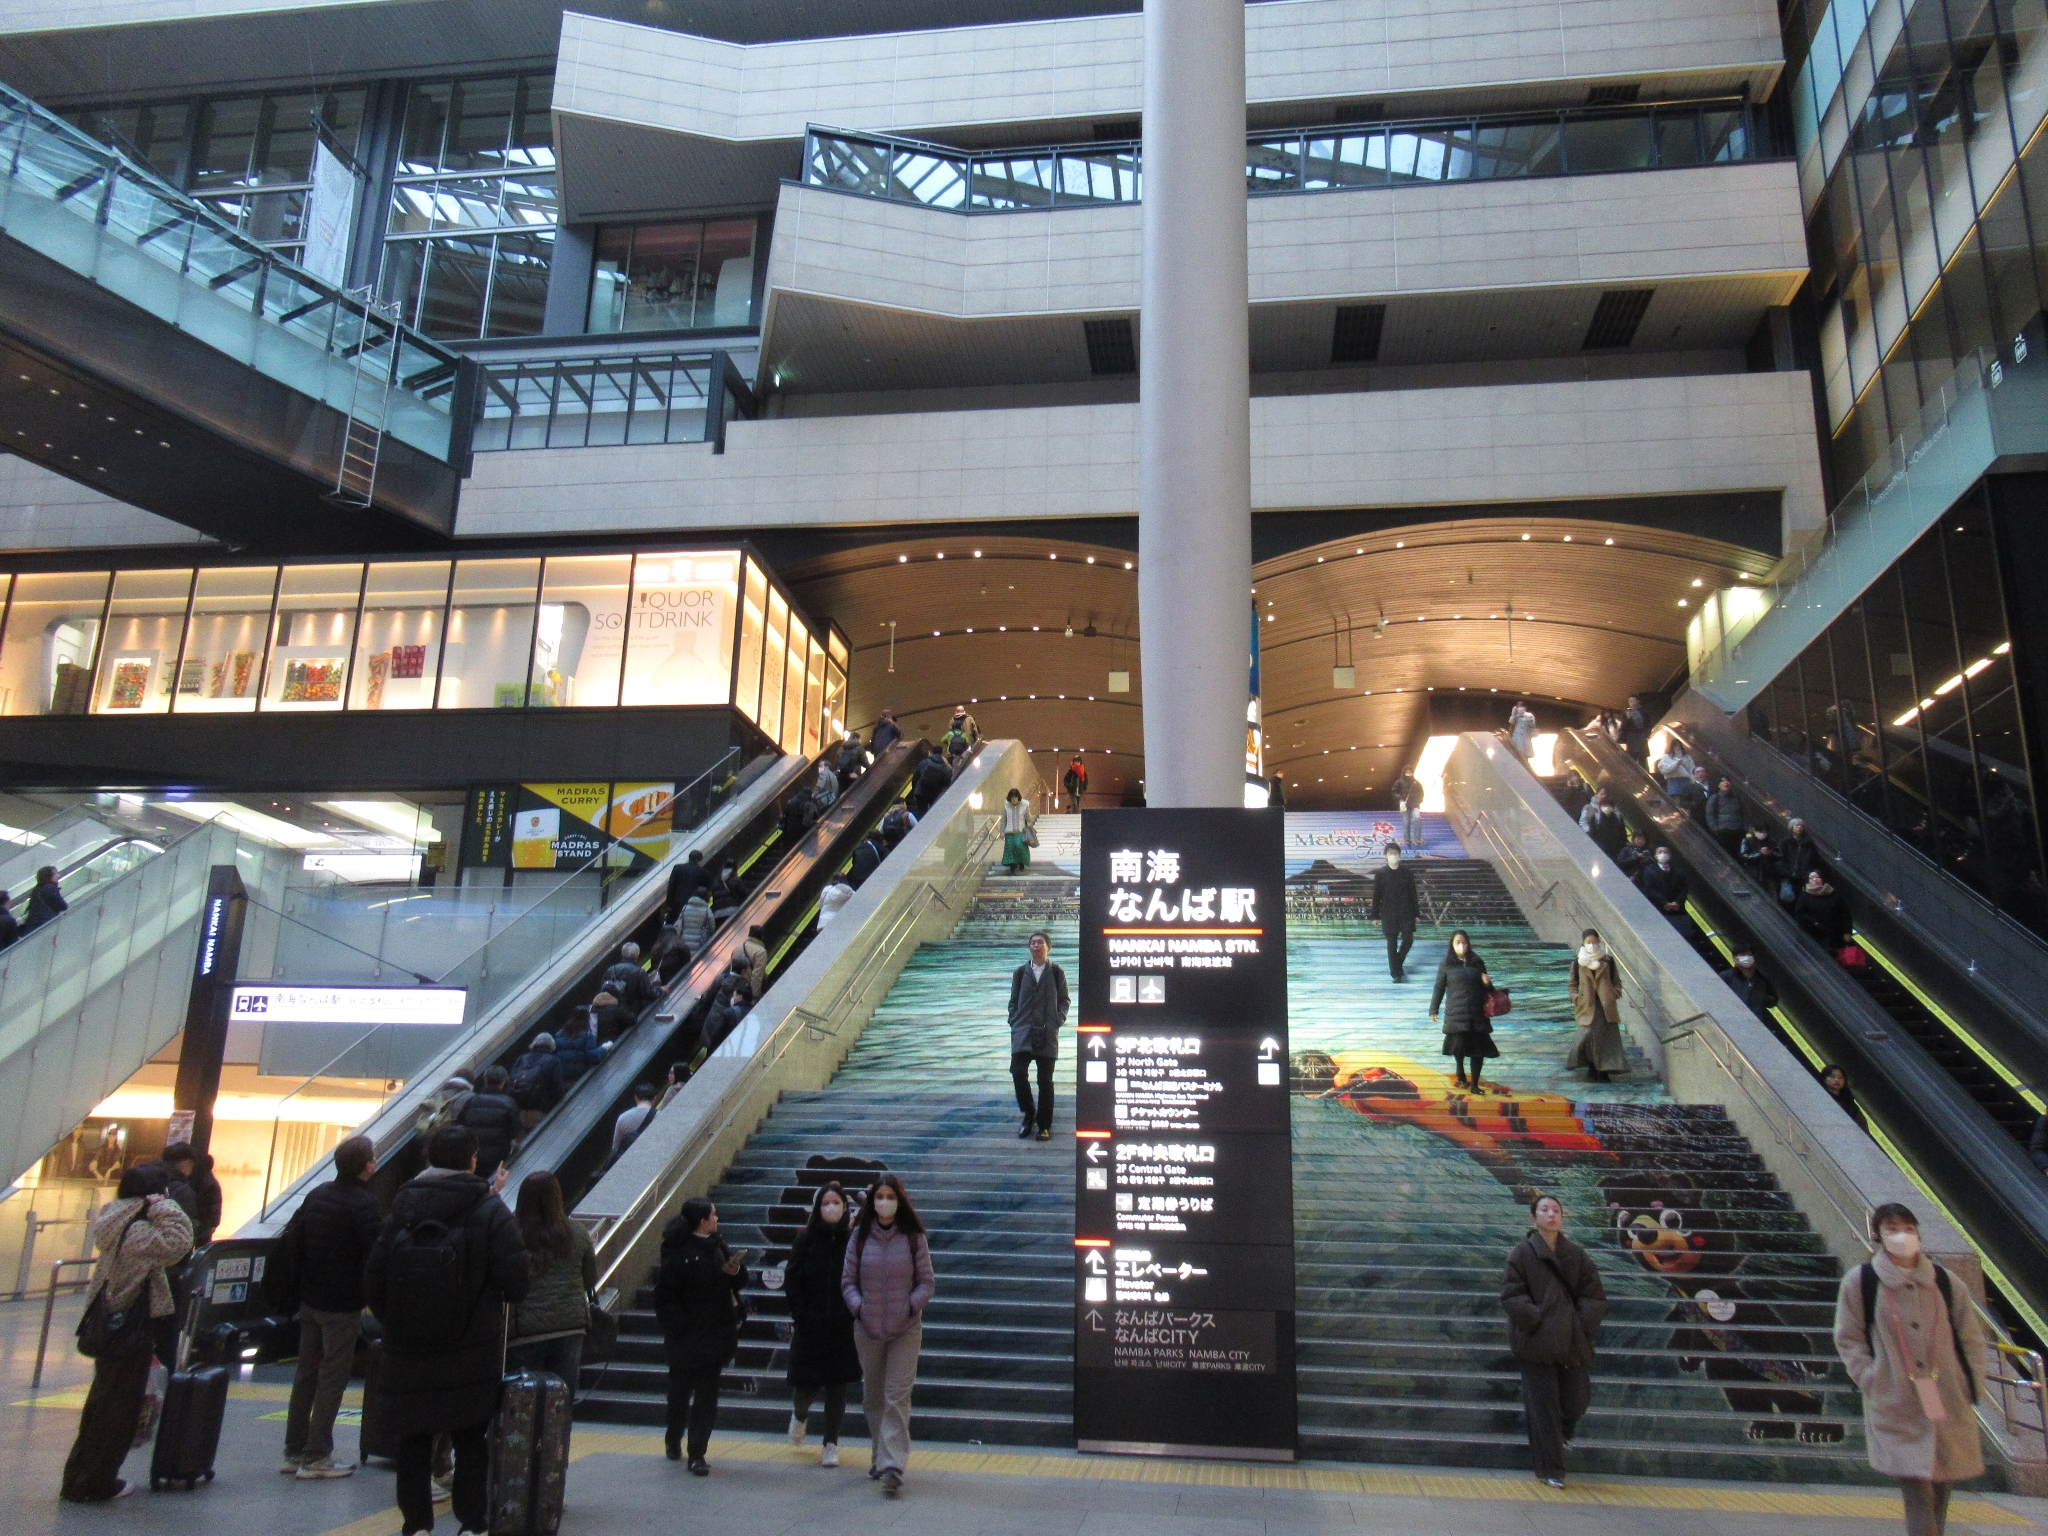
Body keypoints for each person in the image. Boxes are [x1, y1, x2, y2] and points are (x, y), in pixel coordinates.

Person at [365, 1127, 527, 1536]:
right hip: (471, 1351)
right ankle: (472, 1523)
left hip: (408, 1351)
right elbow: (518, 1281)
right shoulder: (490, 1212)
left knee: (413, 1441)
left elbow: (373, 1278)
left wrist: (399, 1321)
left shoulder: (401, 1206)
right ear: (472, 1160)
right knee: (471, 1441)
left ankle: (416, 1524)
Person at [1834, 1203, 1985, 1534]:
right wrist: (1870, 1378)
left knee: (1942, 1483)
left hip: (1946, 1396)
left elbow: (1971, 1336)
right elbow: (1848, 1338)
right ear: (1877, 1235)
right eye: (1892, 1228)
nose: (1902, 1234)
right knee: (1916, 1485)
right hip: (1897, 1398)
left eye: (1908, 1227)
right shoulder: (1862, 1282)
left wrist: (1972, 1383)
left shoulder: (1945, 1281)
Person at [59, 1163, 194, 1502]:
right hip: (129, 1326)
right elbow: (180, 1241)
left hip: (110, 1323)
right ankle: (96, 1483)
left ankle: (79, 1478)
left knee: (101, 1404)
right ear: (152, 1192)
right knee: (117, 1409)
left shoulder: (115, 1218)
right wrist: (162, 1203)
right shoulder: (139, 1230)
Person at [280, 1134, 381, 1479]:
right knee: (332, 1378)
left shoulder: (318, 1194)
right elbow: (375, 1254)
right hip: (342, 1303)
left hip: (310, 1297)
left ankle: (293, 1450)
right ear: (367, 1166)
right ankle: (317, 1455)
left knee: (306, 1373)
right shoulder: (364, 1204)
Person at [1501, 1193, 1606, 1490]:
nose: (1551, 1215)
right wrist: (1537, 1321)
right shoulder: (1522, 1254)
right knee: (1543, 1407)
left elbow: (1594, 1295)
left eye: (1556, 1210)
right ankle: (1551, 1469)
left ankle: (1562, 1435)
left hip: (1572, 1343)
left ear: (1562, 1216)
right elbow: (1512, 1294)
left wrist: (1579, 1325)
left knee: (1576, 1401)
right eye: (1544, 1210)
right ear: (1533, 1217)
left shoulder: (1577, 1254)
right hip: (1536, 1344)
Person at [841, 1173, 934, 1497]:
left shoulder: (913, 1237)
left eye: (889, 1196)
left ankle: (892, 1465)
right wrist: (859, 1307)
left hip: (905, 1330)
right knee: (874, 1397)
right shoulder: (860, 1237)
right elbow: (848, 1282)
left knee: (897, 1396)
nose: (884, 1202)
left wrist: (910, 1306)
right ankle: (879, 1456)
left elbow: (927, 1282)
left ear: (899, 1199)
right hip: (867, 1329)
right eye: (878, 1196)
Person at [655, 1196, 746, 1473]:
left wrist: (736, 1271)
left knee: (707, 1396)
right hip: (686, 1337)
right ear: (702, 1221)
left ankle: (697, 1452)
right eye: (713, 1215)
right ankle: (673, 1438)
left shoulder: (718, 1246)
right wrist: (680, 1326)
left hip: (715, 1333)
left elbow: (738, 1283)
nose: (717, 1219)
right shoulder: (677, 1252)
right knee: (679, 1393)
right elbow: (665, 1297)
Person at [786, 1182, 861, 1468]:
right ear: (818, 1209)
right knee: (805, 1386)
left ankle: (830, 1443)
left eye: (837, 1203)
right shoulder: (806, 1240)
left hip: (842, 1326)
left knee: (837, 1387)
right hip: (811, 1325)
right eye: (826, 1203)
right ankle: (800, 1415)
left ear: (845, 1207)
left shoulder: (852, 1240)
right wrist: (801, 1313)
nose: (831, 1208)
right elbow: (793, 1279)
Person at [506, 1171, 595, 1395]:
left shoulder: (510, 1234)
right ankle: (559, 1432)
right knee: (562, 1398)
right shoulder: (577, 1232)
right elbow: (589, 1279)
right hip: (569, 1327)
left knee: (522, 1398)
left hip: (524, 1331)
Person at [1009, 930, 1068, 1141]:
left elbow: (1064, 1000)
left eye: (1040, 943)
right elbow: (1013, 1000)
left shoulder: (1056, 972)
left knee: (1045, 1080)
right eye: (1032, 943)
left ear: (1048, 947)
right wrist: (1014, 1021)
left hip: (1046, 1032)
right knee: (1017, 1072)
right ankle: (1028, 1114)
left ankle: (1044, 1125)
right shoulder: (1020, 972)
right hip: (1023, 1032)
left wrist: (1056, 1021)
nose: (1035, 946)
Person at [1430, 929, 1497, 1092]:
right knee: (1458, 1047)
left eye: (1464, 942)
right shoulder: (1446, 963)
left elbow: (1490, 990)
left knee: (1478, 1050)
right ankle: (1460, 1069)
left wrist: (1487, 983)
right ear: (1452, 945)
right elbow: (1439, 987)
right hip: (1456, 1012)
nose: (1461, 945)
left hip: (1477, 1012)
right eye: (1458, 942)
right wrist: (1434, 1009)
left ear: (1468, 944)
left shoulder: (1477, 961)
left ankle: (1474, 1084)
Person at [1567, 929, 1628, 1083]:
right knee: (1587, 1036)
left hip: (1605, 1006)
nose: (1592, 945)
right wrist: (1576, 997)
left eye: (1594, 942)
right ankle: (1591, 1066)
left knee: (1605, 1039)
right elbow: (1572, 984)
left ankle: (1603, 1070)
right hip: (1586, 1005)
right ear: (1583, 942)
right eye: (1588, 942)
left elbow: (1617, 982)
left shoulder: (1608, 961)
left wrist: (1614, 993)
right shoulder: (1578, 962)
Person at [452, 1064, 521, 1179]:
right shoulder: (509, 1103)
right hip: (498, 1159)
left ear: (485, 1081)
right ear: (503, 1082)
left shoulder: (471, 1102)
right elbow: (515, 1132)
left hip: (474, 1158)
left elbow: (459, 1126)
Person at [1370, 843, 1419, 982]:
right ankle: (1396, 974)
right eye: (1390, 853)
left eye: (1395, 853)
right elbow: (1376, 896)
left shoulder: (1407, 873)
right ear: (1385, 856)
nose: (1393, 856)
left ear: (1400, 855)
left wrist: (1416, 913)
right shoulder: (1380, 874)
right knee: (1391, 944)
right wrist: (1374, 915)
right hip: (1388, 914)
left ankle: (1396, 963)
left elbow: (1413, 894)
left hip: (1406, 912)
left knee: (1408, 940)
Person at [509, 1033, 566, 1124]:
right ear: (552, 1046)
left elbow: (510, 1081)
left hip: (520, 1110)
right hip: (541, 1110)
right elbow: (557, 1089)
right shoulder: (554, 1061)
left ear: (533, 1044)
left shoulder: (522, 1059)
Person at [1795, 870, 1853, 951]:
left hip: (1835, 936)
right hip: (1814, 936)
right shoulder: (1805, 896)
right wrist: (1814, 923)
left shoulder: (1834, 894)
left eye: (1817, 877)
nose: (1815, 880)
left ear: (1822, 879)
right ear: (1808, 881)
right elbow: (1800, 913)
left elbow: (1845, 914)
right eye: (1811, 878)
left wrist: (1847, 932)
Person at [1636, 846, 1689, 931]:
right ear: (1655, 856)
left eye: (1666, 852)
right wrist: (1664, 902)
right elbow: (1649, 889)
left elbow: (1684, 889)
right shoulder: (1649, 871)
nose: (1663, 854)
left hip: (1678, 912)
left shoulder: (1679, 871)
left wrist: (1677, 902)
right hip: (1658, 910)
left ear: (1670, 855)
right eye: (1660, 852)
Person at [1718, 949, 1779, 1021]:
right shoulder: (1727, 976)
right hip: (1729, 1018)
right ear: (1735, 959)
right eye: (1743, 956)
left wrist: (1762, 999)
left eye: (1749, 956)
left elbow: (1773, 1000)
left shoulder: (1762, 979)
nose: (1746, 959)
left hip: (1753, 1020)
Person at [603, 943, 661, 1014]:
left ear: (622, 954)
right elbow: (648, 993)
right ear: (637, 955)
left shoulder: (610, 970)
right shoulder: (639, 972)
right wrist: (660, 990)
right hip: (632, 1011)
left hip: (613, 1011)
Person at [1778, 817, 1825, 900]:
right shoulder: (1785, 842)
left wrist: (1809, 872)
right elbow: (1780, 857)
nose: (1800, 827)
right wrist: (1785, 870)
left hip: (1803, 877)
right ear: (1792, 827)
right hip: (1788, 875)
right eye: (1797, 825)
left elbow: (1814, 860)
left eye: (1802, 826)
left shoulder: (1809, 844)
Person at [556, 1008, 610, 1077]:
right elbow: (592, 1057)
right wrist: (604, 1048)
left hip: (564, 1073)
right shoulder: (587, 1035)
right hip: (580, 1073)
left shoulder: (559, 1034)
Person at [612, 1083, 659, 1158]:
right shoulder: (660, 1116)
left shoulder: (623, 1118)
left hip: (632, 1158)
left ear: (636, 1098)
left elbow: (615, 1148)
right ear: (655, 1098)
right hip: (655, 1155)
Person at [665, 849, 711, 924]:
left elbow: (671, 887)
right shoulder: (704, 872)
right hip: (694, 906)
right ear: (699, 860)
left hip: (677, 904)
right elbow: (707, 891)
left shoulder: (677, 868)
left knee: (676, 925)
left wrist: (668, 905)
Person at [1578, 790, 1626, 860]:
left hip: (1615, 850)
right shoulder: (1595, 817)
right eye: (1604, 805)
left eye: (1608, 805)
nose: (1606, 807)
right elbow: (1592, 833)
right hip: (1599, 849)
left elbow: (1622, 833)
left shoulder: (1618, 817)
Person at [1823, 1064, 1870, 1133]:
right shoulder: (1819, 1095)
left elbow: (1862, 1127)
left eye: (1840, 1078)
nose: (1837, 1080)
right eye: (1832, 1077)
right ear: (1824, 1078)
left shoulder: (1849, 1103)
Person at [1705, 777, 1746, 857]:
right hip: (1723, 831)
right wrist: (1715, 829)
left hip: (1738, 831)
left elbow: (1745, 813)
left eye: (1728, 781)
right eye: (1723, 781)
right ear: (1718, 785)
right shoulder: (1715, 798)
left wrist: (1744, 828)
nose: (1726, 783)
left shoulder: (1738, 797)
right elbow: (1710, 814)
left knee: (1737, 854)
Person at [22, 864, 66, 933]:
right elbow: (63, 906)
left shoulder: (36, 890)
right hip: (46, 924)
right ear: (48, 876)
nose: (58, 876)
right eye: (55, 874)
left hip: (32, 925)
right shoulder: (50, 888)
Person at [1000, 787, 1034, 875]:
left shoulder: (1024, 805)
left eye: (1014, 798)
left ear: (1018, 797)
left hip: (1020, 832)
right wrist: (1002, 832)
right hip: (1009, 832)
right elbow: (1003, 820)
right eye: (1011, 798)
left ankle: (1021, 862)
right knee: (1010, 849)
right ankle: (1012, 869)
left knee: (1019, 846)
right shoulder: (1006, 806)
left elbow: (1028, 818)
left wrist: (1031, 828)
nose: (1013, 800)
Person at [908, 752, 953, 817]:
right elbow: (948, 781)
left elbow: (915, 778)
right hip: (933, 793)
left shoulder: (923, 763)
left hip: (920, 792)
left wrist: (914, 791)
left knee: (924, 813)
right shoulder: (942, 767)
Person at [1391, 768, 1423, 851]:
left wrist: (1419, 801)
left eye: (1410, 772)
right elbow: (1394, 791)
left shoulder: (1416, 782)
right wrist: (1401, 799)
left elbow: (1421, 792)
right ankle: (1407, 841)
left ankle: (1416, 839)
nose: (1409, 774)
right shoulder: (1400, 782)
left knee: (1417, 819)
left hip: (1414, 804)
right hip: (1405, 805)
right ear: (1404, 772)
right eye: (1407, 772)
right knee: (1406, 822)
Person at [739, 923, 769, 1000]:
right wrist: (755, 996)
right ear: (762, 937)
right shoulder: (760, 952)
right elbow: (757, 975)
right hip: (747, 992)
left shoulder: (738, 948)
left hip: (736, 989)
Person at [1618, 696, 1650, 762]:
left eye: (1633, 701)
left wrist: (1647, 734)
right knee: (1632, 759)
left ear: (1638, 701)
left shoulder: (1643, 712)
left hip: (1641, 737)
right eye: (1630, 701)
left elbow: (1648, 724)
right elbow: (1623, 727)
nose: (1632, 703)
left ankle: (1644, 771)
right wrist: (1628, 718)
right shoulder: (1626, 713)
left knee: (1643, 758)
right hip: (1632, 739)